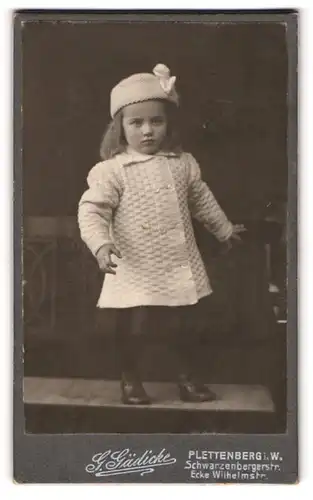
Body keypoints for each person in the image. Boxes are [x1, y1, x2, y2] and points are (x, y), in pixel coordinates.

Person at [78, 64, 245, 405]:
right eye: (136, 123)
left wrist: (224, 229)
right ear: (120, 128)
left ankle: (187, 380)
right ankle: (130, 380)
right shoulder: (113, 171)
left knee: (186, 327)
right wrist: (101, 244)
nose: (148, 131)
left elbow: (201, 200)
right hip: (135, 266)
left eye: (157, 121)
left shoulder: (182, 163)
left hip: (178, 263)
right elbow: (92, 210)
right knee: (134, 329)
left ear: (169, 124)